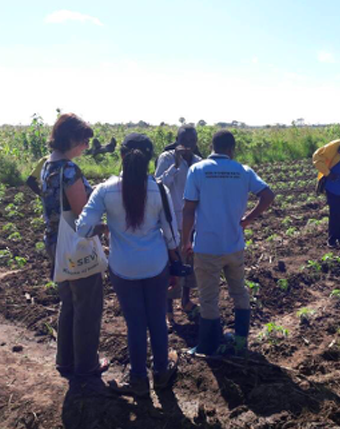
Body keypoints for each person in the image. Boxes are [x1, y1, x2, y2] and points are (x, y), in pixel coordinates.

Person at [76, 133, 179, 396]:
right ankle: (162, 372)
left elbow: (83, 227)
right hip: (156, 265)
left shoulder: (104, 190)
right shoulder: (160, 190)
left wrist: (108, 226)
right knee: (157, 319)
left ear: (121, 155)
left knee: (135, 324)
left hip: (122, 268)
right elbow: (171, 235)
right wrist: (175, 265)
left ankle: (138, 379)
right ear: (149, 159)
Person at [182, 130, 275, 355]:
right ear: (231, 149)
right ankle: (241, 340)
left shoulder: (198, 170)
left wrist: (185, 240)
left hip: (206, 247)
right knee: (239, 291)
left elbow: (189, 210)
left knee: (208, 297)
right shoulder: (243, 171)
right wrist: (249, 219)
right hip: (234, 245)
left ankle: (208, 345)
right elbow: (268, 195)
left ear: (212, 147)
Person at [40, 113, 108, 382]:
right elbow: (82, 216)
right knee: (88, 304)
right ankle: (87, 364)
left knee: (68, 302)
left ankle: (65, 360)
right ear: (72, 139)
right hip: (74, 245)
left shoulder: (48, 165)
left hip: (54, 241)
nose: (85, 147)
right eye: (83, 141)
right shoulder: (70, 170)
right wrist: (104, 227)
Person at [155, 125, 202, 322]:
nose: (189, 144)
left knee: (190, 264)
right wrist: (175, 164)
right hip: (173, 220)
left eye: (192, 140)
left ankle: (185, 300)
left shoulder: (200, 162)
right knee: (173, 264)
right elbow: (159, 184)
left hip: (193, 221)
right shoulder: (166, 157)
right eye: (185, 140)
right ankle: (168, 309)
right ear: (177, 140)